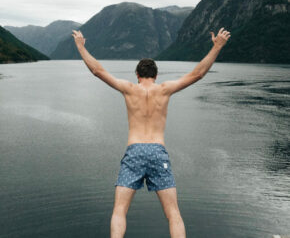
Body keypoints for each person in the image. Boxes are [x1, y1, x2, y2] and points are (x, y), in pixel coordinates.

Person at [72, 27, 231, 238]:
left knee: (120, 210)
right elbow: (198, 74)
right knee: (173, 213)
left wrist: (81, 47)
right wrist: (217, 46)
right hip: (158, 151)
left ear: (137, 75)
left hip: (134, 152)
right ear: (155, 76)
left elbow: (97, 71)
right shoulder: (164, 89)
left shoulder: (129, 88)